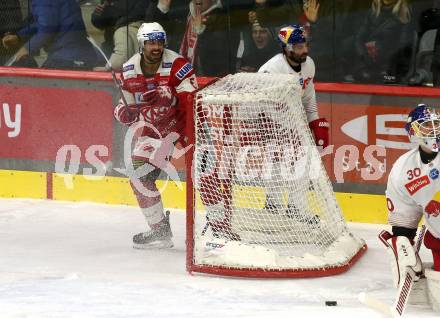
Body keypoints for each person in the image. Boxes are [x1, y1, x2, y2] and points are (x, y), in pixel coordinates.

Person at [113, 22, 198, 249]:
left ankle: (220, 231)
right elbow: (125, 109)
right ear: (142, 44)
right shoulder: (129, 70)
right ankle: (160, 229)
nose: (156, 47)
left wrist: (169, 98)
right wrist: (125, 112)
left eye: (160, 42)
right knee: (139, 177)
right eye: (151, 42)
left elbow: (192, 103)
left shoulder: (178, 65)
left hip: (186, 129)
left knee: (206, 177)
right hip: (154, 134)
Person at [257, 24, 328, 215]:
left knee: (303, 163)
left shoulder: (309, 64)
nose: (304, 50)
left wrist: (315, 122)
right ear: (286, 48)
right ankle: (273, 205)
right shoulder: (271, 70)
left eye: (305, 45)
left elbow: (308, 97)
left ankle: (296, 208)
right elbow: (256, 102)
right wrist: (266, 127)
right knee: (278, 164)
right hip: (271, 122)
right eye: (298, 47)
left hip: (294, 121)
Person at [384, 104, 440, 309]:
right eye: (427, 125)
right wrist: (404, 246)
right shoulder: (403, 169)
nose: (434, 130)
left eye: (437, 124)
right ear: (413, 132)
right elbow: (404, 213)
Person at [2, 0, 98, 70]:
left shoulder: (43, 1)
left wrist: (26, 48)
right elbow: (42, 22)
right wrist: (19, 36)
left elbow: (48, 29)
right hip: (76, 55)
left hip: (68, 57)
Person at [91, 0, 148, 71]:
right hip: (110, 43)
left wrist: (111, 12)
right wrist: (97, 15)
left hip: (126, 38)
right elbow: (100, 22)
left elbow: (138, 14)